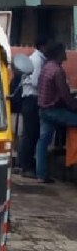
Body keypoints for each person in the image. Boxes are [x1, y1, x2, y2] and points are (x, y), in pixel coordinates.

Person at [35, 42, 77, 183]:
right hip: (54, 110)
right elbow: (65, 96)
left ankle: (41, 174)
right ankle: (72, 159)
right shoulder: (58, 71)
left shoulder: (46, 67)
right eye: (64, 51)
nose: (66, 53)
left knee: (43, 142)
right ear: (59, 53)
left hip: (43, 109)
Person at [18, 36, 51, 177]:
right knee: (31, 134)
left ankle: (24, 164)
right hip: (32, 99)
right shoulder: (37, 60)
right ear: (43, 46)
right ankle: (27, 167)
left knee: (28, 134)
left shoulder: (37, 59)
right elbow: (37, 82)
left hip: (29, 99)